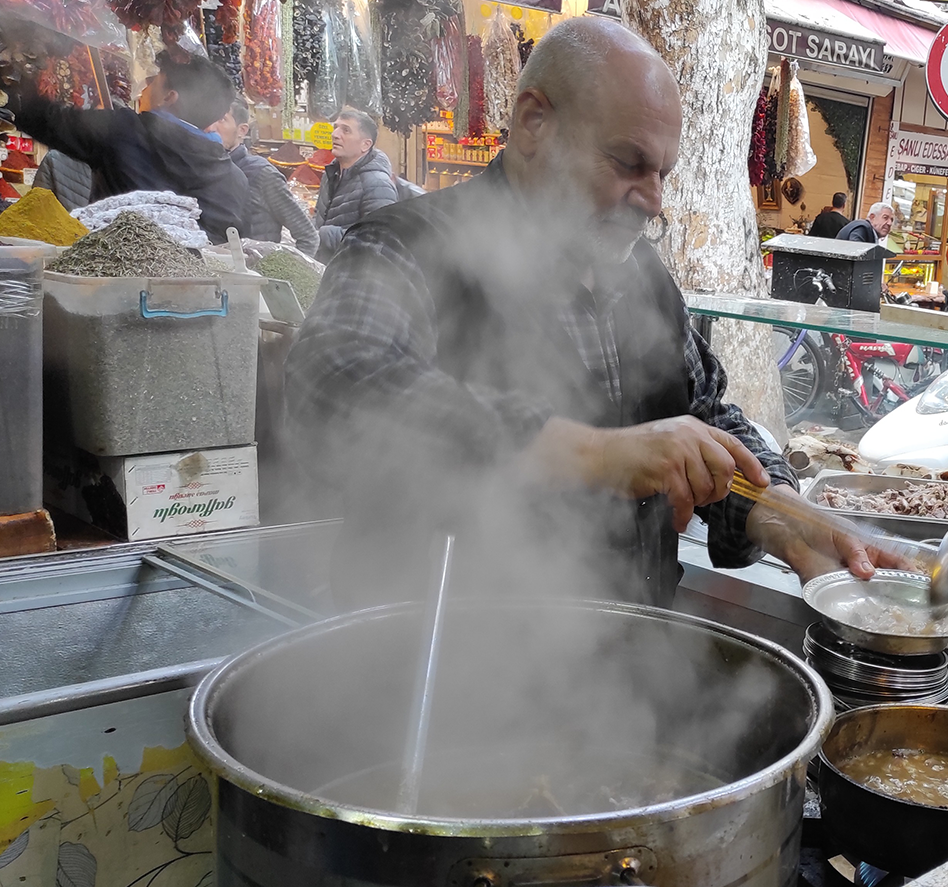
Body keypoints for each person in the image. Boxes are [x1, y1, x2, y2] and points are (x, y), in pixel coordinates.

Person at [284, 18, 892, 609]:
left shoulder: (641, 275)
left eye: (662, 174)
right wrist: (597, 455)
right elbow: (334, 385)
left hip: (622, 676)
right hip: (438, 672)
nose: (653, 202)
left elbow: (703, 413)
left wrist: (780, 510)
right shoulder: (408, 246)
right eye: (628, 163)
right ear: (533, 122)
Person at [13, 50, 248, 243]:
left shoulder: (124, 131)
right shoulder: (234, 178)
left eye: (154, 80)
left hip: (110, 280)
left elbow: (45, 120)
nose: (145, 87)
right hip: (193, 293)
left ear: (170, 98)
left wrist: (14, 74)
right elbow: (223, 248)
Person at [209, 100, 319, 254]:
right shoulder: (203, 170)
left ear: (242, 130)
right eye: (210, 118)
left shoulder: (261, 173)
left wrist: (284, 271)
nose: (212, 127)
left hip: (256, 273)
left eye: (222, 120)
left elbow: (308, 236)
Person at [313, 108, 401, 260]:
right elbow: (319, 215)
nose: (335, 135)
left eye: (346, 130)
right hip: (325, 269)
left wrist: (325, 234)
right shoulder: (331, 174)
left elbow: (379, 241)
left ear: (365, 145)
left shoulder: (378, 184)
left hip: (351, 276)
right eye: (336, 128)